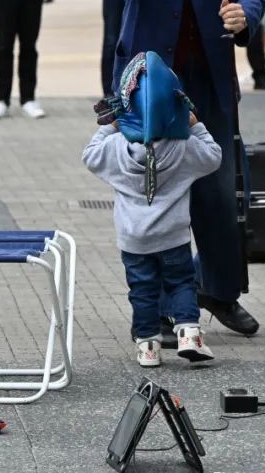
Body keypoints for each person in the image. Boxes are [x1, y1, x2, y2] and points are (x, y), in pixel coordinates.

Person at [105, 0, 265, 337]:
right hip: (153, 83)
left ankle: (217, 291)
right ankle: (165, 307)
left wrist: (245, 15)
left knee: (218, 192)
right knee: (159, 195)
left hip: (211, 76)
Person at [82, 51, 222, 367]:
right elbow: (214, 156)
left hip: (134, 240)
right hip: (173, 235)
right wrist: (196, 126)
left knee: (143, 291)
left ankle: (148, 346)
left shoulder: (116, 149)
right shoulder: (184, 147)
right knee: (182, 283)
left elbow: (90, 155)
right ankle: (189, 333)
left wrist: (110, 126)